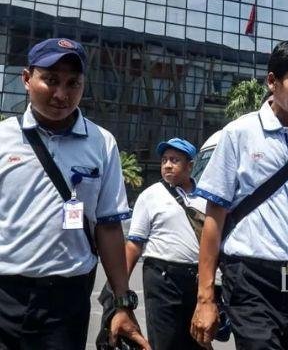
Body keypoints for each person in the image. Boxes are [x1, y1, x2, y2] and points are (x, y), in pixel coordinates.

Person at [190, 39, 288, 349]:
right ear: (272, 82)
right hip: (250, 279)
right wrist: (206, 296)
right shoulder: (239, 134)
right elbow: (214, 218)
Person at [0, 38, 149, 349]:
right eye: (51, 80)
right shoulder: (4, 139)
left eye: (73, 83)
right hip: (5, 293)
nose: (61, 94)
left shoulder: (101, 142)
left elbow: (108, 226)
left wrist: (122, 302)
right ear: (27, 79)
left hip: (67, 300)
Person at [125, 138, 205, 349]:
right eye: (164, 160)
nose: (168, 165)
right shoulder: (149, 196)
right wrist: (119, 285)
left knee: (198, 340)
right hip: (162, 279)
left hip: (198, 279)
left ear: (190, 166)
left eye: (175, 160)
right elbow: (134, 244)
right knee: (165, 341)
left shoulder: (206, 197)